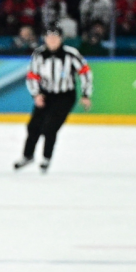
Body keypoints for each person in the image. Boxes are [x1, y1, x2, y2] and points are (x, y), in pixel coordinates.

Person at [15, 23, 92, 173]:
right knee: (33, 126)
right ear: (44, 39)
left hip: (65, 96)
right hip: (46, 94)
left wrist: (85, 94)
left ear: (61, 39)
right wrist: (36, 94)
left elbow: (85, 72)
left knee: (50, 128)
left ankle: (46, 158)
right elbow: (32, 76)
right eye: (49, 37)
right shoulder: (38, 55)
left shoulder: (71, 54)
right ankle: (27, 155)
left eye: (55, 37)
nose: (52, 40)